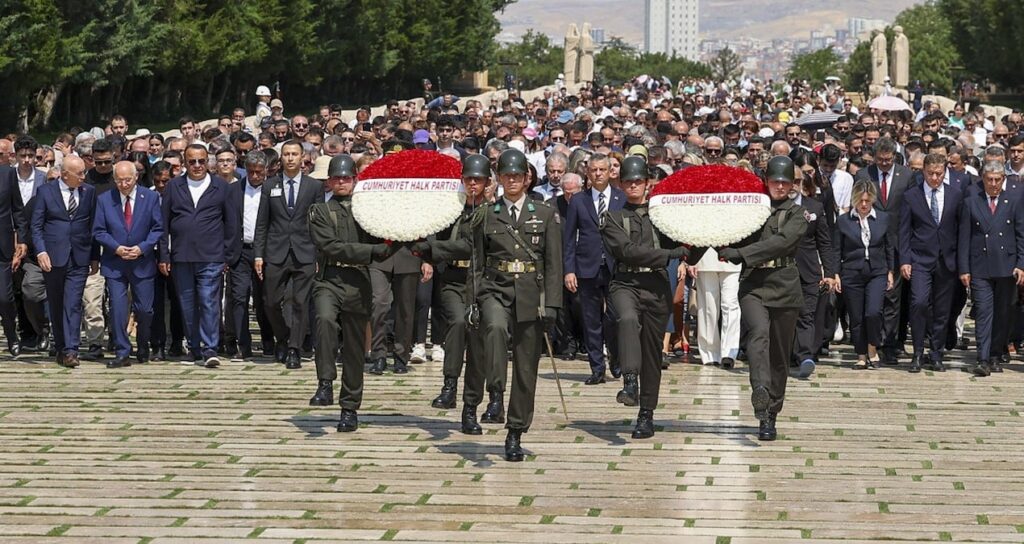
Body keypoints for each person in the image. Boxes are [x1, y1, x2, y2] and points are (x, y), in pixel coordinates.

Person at [473, 148, 562, 461]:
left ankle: (515, 432)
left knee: (526, 368)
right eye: (506, 175)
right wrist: (475, 298)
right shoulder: (487, 213)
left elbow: (553, 263)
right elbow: (477, 262)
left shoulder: (546, 213)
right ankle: (495, 392)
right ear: (499, 178)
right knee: (495, 328)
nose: (511, 181)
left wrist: (552, 306)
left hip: (530, 293)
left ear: (527, 179)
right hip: (495, 288)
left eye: (517, 176)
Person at [715, 156, 807, 441]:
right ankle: (760, 391)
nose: (779, 186)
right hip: (754, 284)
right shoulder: (752, 208)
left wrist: (741, 254)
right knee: (757, 335)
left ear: (792, 185)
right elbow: (731, 231)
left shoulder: (796, 214)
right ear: (766, 181)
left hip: (784, 285)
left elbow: (781, 243)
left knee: (779, 356)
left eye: (785, 182)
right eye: (775, 181)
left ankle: (771, 415)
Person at [601, 156, 689, 438]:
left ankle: (646, 414)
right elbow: (626, 251)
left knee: (652, 353)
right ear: (621, 183)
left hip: (655, 285)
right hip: (626, 281)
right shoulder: (613, 217)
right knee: (626, 318)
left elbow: (686, 245)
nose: (633, 186)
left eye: (638, 181)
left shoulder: (662, 216)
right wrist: (669, 255)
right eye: (628, 181)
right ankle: (629, 381)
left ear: (648, 183)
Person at [307, 154, 393, 431]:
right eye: (336, 178)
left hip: (358, 281)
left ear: (355, 180)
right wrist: (372, 252)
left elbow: (384, 235)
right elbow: (331, 246)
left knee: (356, 348)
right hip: (329, 277)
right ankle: (325, 381)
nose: (341, 182)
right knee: (323, 319)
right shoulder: (319, 211)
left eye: (346, 178)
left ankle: (350, 408)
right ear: (328, 182)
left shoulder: (367, 210)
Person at [411, 155, 489, 434]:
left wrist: (436, 251)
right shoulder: (451, 209)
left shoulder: (492, 211)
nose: (472, 184)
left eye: (477, 180)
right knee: (457, 322)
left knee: (480, 340)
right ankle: (450, 384)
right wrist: (424, 249)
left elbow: (472, 247)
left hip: (482, 281)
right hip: (454, 279)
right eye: (468, 179)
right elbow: (432, 235)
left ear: (487, 183)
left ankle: (482, 401)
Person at [159, 145, 239, 368]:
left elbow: (231, 224)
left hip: (211, 256)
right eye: (192, 161)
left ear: (208, 162)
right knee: (187, 304)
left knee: (209, 302)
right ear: (184, 163)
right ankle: (195, 346)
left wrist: (227, 256)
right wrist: (164, 255)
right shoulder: (174, 187)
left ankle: (210, 347)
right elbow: (163, 224)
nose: (197, 166)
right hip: (182, 256)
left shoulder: (221, 187)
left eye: (201, 161)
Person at [254, 140, 320, 369]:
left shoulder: (314, 187)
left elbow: (318, 224)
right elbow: (262, 222)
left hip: (305, 251)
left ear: (303, 158)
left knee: (301, 302)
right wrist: (258, 254)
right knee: (270, 301)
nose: (290, 158)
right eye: (286, 154)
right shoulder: (269, 185)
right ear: (280, 158)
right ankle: (282, 337)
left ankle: (294, 348)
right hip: (276, 250)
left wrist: (319, 254)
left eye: (294, 154)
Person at [92, 161, 163, 368]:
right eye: (119, 180)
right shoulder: (105, 199)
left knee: (145, 309)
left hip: (142, 261)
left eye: (127, 180)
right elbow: (99, 230)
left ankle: (143, 344)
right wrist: (116, 247)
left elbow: (157, 228)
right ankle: (122, 351)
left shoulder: (150, 198)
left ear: (136, 178)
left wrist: (143, 248)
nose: (123, 184)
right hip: (115, 262)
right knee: (118, 308)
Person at [31, 156, 98, 368]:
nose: (83, 177)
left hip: (79, 256)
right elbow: (36, 225)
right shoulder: (45, 192)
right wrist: (41, 251)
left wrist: (94, 256)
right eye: (79, 174)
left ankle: (72, 349)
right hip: (53, 257)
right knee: (57, 303)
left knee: (73, 303)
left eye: (84, 173)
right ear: (65, 174)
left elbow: (93, 226)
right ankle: (60, 346)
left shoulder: (88, 192)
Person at [899, 153, 963, 373]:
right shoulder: (911, 196)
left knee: (943, 310)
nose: (935, 178)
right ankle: (917, 351)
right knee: (918, 302)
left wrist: (961, 264)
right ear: (923, 172)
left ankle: (936, 352)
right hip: (920, 258)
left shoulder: (955, 195)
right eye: (931, 174)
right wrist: (904, 260)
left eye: (939, 174)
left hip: (947, 260)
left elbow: (960, 230)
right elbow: (904, 231)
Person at [563, 153, 625, 383]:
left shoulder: (621, 198)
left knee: (615, 317)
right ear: (587, 173)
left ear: (610, 171)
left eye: (602, 169)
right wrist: (569, 270)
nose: (598, 174)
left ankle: (616, 358)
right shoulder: (578, 200)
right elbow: (569, 238)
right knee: (591, 319)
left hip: (615, 266)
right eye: (594, 170)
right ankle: (597, 368)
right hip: (586, 266)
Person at [959, 163, 1024, 377]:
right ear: (983, 179)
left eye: (998, 179)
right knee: (984, 312)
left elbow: (1020, 234)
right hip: (980, 266)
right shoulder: (971, 202)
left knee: (1003, 313)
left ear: (1003, 179)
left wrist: (1021, 264)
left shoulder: (1013, 201)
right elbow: (964, 238)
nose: (994, 184)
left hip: (1007, 266)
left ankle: (996, 354)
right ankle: (983, 357)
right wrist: (964, 268)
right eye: (990, 179)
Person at [855, 138, 912, 364]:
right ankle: (869, 343)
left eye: (889, 160)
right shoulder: (863, 175)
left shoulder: (906, 176)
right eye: (880, 160)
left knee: (893, 297)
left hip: (897, 243)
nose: (885, 164)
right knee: (872, 298)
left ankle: (890, 343)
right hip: (871, 243)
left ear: (895, 157)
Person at [835, 180, 894, 370]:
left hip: (877, 271)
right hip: (852, 271)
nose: (863, 205)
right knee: (856, 315)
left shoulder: (883, 218)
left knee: (873, 311)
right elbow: (837, 249)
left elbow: (889, 247)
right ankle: (860, 354)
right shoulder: (844, 221)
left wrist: (890, 271)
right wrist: (835, 273)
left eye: (867, 201)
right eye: (860, 201)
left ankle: (872, 348)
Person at [227, 150, 273, 360]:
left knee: (266, 299)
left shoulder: (273, 189)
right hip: (240, 250)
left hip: (266, 251)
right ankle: (242, 345)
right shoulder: (233, 190)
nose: (255, 176)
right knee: (239, 298)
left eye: (259, 172)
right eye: (251, 172)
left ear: (266, 170)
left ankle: (268, 341)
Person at [0, 156, 26, 357]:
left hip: (3, 244)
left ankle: (11, 334)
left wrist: (22, 239)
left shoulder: (8, 173)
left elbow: (17, 209)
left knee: (4, 296)